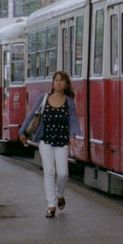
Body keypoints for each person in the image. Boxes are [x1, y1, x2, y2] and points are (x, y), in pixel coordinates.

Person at [20, 71, 81, 218]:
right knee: (49, 172)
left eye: (62, 81)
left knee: (63, 173)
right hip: (45, 140)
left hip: (62, 141)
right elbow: (32, 115)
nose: (58, 83)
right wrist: (22, 132)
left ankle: (59, 194)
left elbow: (73, 119)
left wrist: (72, 136)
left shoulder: (69, 102)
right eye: (56, 80)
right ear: (53, 83)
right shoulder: (44, 98)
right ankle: (51, 205)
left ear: (66, 84)